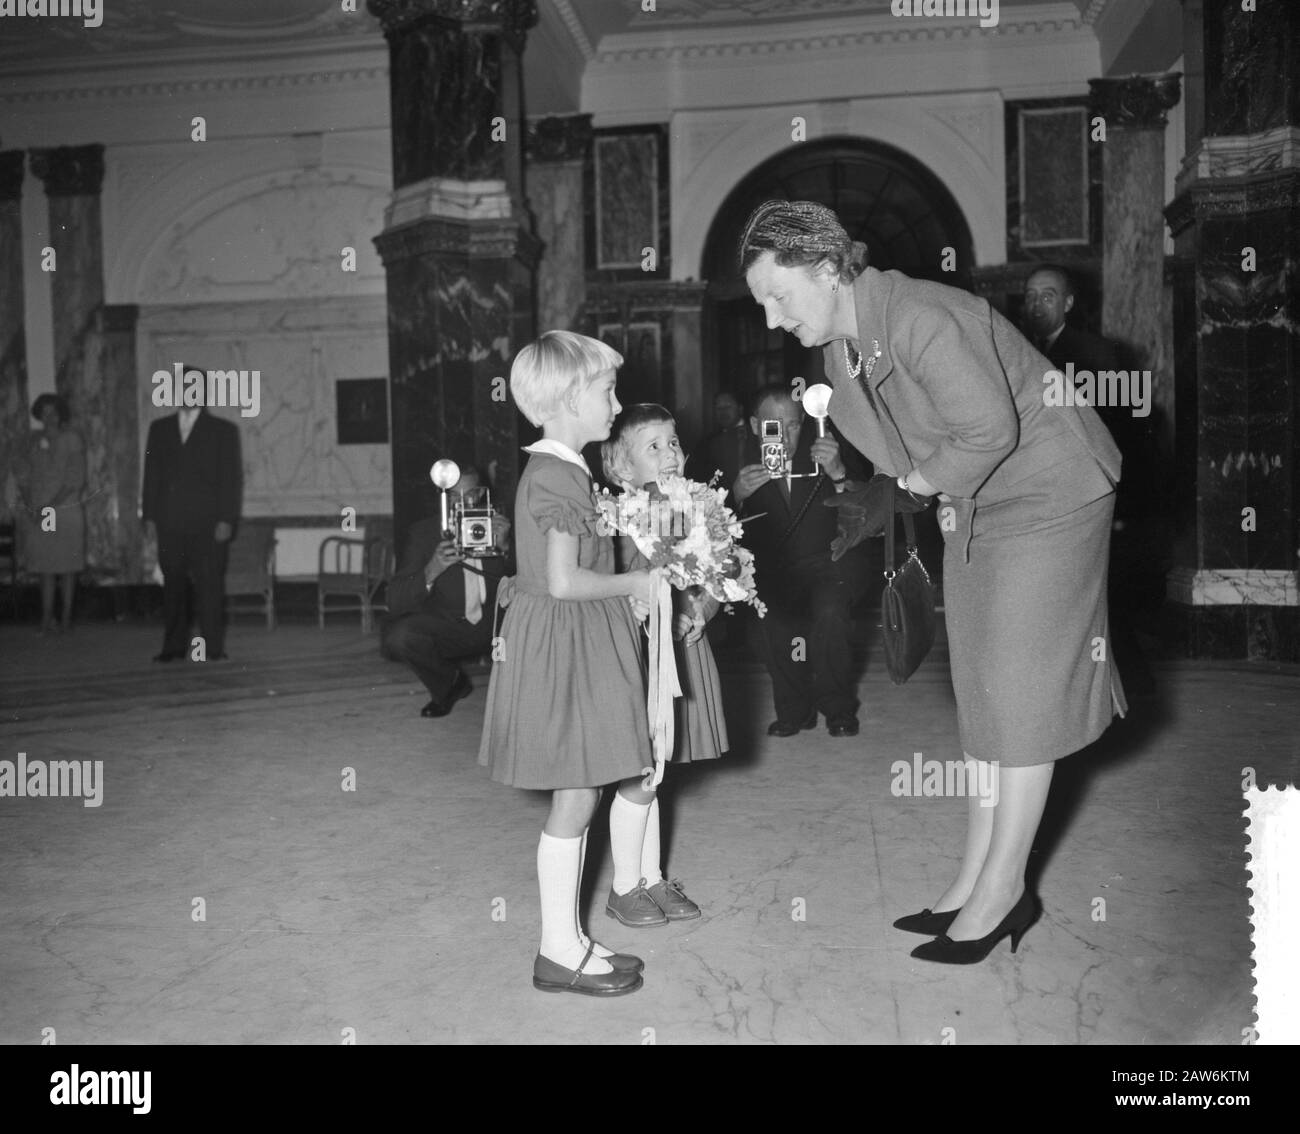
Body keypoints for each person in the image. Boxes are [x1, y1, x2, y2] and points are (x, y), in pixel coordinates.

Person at [739, 200, 1126, 964]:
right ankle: (975, 877)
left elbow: (989, 431)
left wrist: (916, 482)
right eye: (761, 306)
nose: (774, 319)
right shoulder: (838, 351)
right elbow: (896, 445)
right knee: (980, 683)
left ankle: (1005, 889)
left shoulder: (918, 314)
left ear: (827, 269)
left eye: (780, 297)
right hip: (975, 495)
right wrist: (871, 479)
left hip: (1051, 488)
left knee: (1020, 688)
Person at [478, 330, 655, 997]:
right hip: (568, 640)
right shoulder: (557, 473)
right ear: (565, 396)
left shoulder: (562, 467)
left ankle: (571, 939)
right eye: (606, 389)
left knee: (580, 791)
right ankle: (556, 949)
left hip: (571, 638)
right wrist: (637, 587)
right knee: (576, 795)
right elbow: (562, 581)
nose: (616, 402)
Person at [599, 404, 727, 915]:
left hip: (679, 651)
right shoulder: (617, 518)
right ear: (621, 468)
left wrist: (701, 611)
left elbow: (716, 574)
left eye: (673, 442)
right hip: (639, 657)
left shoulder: (696, 509)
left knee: (657, 771)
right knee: (639, 771)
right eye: (652, 447)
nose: (669, 453)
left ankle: (651, 878)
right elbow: (615, 587)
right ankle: (624, 886)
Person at [1025, 265, 1157, 695]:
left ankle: (1122, 692)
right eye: (1030, 295)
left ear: (1068, 303)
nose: (1036, 304)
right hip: (1033, 497)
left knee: (1095, 603)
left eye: (1048, 295)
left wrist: (1117, 502)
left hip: (1084, 496)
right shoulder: (1012, 349)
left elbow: (1117, 435)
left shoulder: (1095, 354)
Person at [733, 383, 868, 738]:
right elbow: (711, 525)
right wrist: (736, 496)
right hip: (771, 571)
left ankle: (837, 708)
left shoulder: (824, 455)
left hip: (824, 565)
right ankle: (795, 710)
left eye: (793, 424)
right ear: (753, 426)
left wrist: (838, 473)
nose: (784, 435)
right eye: (772, 426)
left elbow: (864, 512)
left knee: (830, 615)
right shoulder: (735, 461)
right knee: (775, 628)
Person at [380, 466, 513, 718]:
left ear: (483, 495)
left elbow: (529, 579)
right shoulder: (424, 533)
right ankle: (449, 685)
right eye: (454, 497)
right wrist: (432, 569)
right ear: (442, 500)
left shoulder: (499, 523)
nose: (463, 504)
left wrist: (505, 548)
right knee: (399, 636)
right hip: (449, 626)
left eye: (471, 495)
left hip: (498, 625)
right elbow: (395, 601)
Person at [141, 391, 242, 662]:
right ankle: (172, 647)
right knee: (173, 586)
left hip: (209, 524)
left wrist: (226, 519)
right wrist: (149, 516)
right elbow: (151, 473)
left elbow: (231, 479)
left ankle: (213, 649)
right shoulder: (159, 428)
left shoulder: (223, 430)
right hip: (169, 523)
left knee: (210, 587)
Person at [14, 394, 86, 634]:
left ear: (61, 414)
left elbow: (75, 478)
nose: (49, 417)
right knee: (45, 567)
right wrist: (30, 504)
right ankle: (46, 619)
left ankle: (65, 619)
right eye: (44, 412)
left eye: (53, 412)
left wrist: (50, 507)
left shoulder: (72, 439)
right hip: (38, 511)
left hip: (64, 510)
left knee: (66, 567)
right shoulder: (31, 440)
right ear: (38, 415)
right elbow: (22, 475)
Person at [688, 390, 748, 496]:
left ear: (740, 408)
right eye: (719, 408)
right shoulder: (706, 443)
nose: (723, 412)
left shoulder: (755, 435)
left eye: (728, 407)